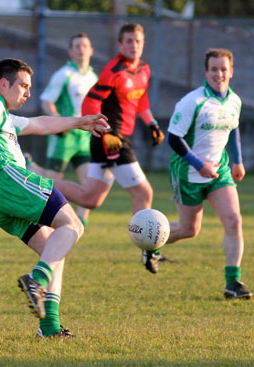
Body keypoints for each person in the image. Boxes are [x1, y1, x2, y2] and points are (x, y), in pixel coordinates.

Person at [0, 58, 108, 338]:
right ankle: (36, 279)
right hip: (7, 180)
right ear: (4, 84)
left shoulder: (0, 112)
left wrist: (79, 122)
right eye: (23, 86)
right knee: (74, 226)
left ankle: (49, 327)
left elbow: (38, 123)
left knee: (54, 249)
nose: (28, 93)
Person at [53, 23, 165, 274]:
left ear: (142, 43)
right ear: (120, 45)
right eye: (128, 41)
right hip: (112, 140)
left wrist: (152, 123)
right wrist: (104, 132)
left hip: (120, 138)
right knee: (143, 192)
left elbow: (141, 98)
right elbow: (90, 101)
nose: (133, 45)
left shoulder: (144, 70)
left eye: (137, 41)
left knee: (91, 198)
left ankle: (43, 183)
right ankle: (148, 250)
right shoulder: (113, 70)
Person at [165, 48, 251, 299]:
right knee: (189, 229)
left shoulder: (235, 100)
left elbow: (233, 130)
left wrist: (238, 162)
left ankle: (232, 283)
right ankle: (151, 241)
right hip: (187, 171)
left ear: (231, 72)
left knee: (234, 220)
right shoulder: (193, 101)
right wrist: (198, 163)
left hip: (219, 171)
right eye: (214, 69)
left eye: (224, 69)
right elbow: (174, 138)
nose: (219, 74)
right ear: (206, 72)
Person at [25, 33, 98, 227]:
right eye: (77, 46)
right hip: (64, 137)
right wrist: (58, 122)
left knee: (91, 183)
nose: (81, 49)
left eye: (85, 45)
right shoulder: (64, 74)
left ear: (91, 50)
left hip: (85, 137)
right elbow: (47, 101)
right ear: (70, 51)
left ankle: (81, 220)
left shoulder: (93, 77)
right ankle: (31, 169)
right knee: (51, 183)